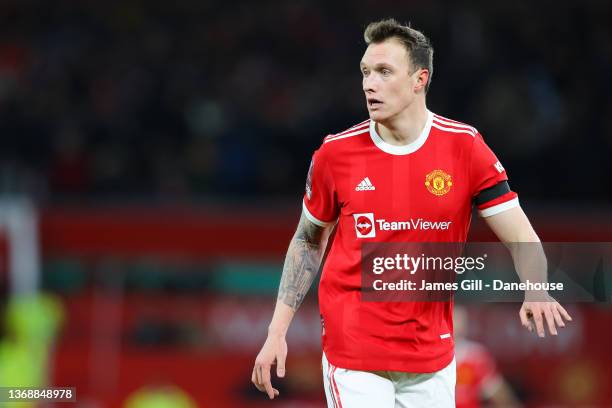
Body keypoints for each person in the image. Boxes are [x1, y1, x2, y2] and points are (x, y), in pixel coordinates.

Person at [252, 18, 572, 407]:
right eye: (366, 72)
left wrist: (536, 288)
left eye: (384, 72)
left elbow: (519, 233)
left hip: (431, 356)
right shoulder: (336, 154)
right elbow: (308, 240)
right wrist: (276, 331)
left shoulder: (464, 148)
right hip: (354, 353)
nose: (370, 83)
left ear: (420, 79)